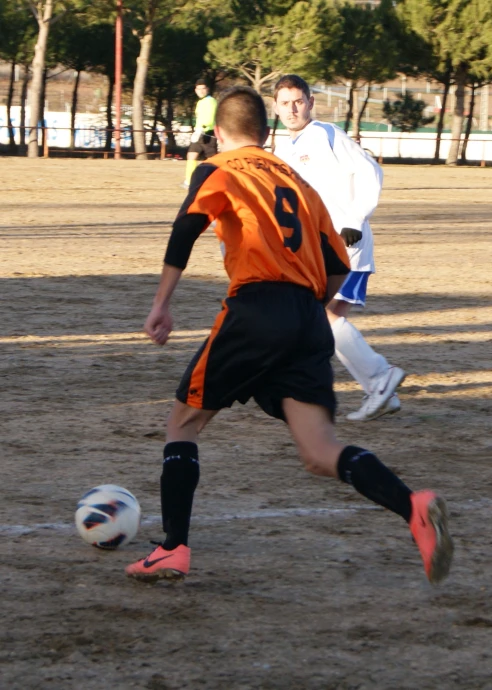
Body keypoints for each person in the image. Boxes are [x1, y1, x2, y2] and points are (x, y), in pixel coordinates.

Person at [125, 85, 453, 586]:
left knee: (182, 425)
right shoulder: (297, 180)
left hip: (258, 308)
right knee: (321, 452)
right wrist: (305, 314)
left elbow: (184, 229)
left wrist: (161, 304)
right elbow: (338, 269)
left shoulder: (217, 170)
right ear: (267, 132)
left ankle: (172, 548)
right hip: (308, 316)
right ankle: (411, 505)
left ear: (219, 133)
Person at [273, 74, 405, 422]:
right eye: (285, 103)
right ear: (275, 107)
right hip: (315, 251)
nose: (292, 109)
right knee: (316, 320)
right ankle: (380, 391)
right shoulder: (282, 148)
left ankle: (380, 376)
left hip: (346, 244)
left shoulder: (325, 135)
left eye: (298, 101)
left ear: (311, 102)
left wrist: (354, 219)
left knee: (325, 318)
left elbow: (370, 171)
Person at [183, 78, 217, 189]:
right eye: (199, 89)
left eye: (203, 89)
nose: (201, 91)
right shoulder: (200, 102)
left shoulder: (210, 101)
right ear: (195, 90)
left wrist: (203, 128)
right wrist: (197, 131)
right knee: (191, 155)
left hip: (208, 133)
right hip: (199, 133)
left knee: (211, 159)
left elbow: (211, 117)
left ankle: (215, 180)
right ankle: (189, 181)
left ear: (207, 89)